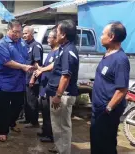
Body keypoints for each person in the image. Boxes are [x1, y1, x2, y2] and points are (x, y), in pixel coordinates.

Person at [90, 22, 129, 154]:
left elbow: (122, 89)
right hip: (98, 109)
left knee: (106, 146)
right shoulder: (108, 54)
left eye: (103, 34)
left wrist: (108, 108)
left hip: (107, 112)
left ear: (111, 36)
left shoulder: (120, 60)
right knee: (97, 144)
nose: (101, 36)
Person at [0, 20, 36, 142]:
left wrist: (29, 66)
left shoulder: (22, 43)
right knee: (3, 108)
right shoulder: (2, 44)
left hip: (19, 82)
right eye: (15, 32)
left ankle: (11, 122)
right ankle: (2, 131)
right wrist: (23, 67)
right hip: (4, 82)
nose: (17, 34)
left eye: (19, 32)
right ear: (8, 30)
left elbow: (26, 58)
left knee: (18, 105)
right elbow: (7, 62)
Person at [45, 20, 79, 154]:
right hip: (57, 93)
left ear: (63, 34)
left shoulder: (69, 51)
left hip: (63, 95)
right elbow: (56, 66)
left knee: (63, 125)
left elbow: (66, 76)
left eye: (57, 32)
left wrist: (58, 95)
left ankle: (64, 151)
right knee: (56, 124)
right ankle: (59, 147)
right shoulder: (63, 48)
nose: (54, 34)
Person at [34, 27, 58, 143]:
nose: (48, 39)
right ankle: (45, 130)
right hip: (44, 87)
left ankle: (50, 135)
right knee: (44, 111)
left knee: (49, 113)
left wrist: (42, 69)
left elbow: (53, 66)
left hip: (51, 88)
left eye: (50, 37)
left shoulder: (58, 53)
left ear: (56, 39)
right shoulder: (51, 52)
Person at [22, 26, 43, 128]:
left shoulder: (36, 46)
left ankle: (34, 122)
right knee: (26, 100)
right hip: (24, 77)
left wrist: (33, 78)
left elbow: (37, 64)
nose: (24, 35)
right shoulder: (25, 45)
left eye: (26, 33)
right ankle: (27, 119)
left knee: (32, 100)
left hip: (32, 78)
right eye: (23, 33)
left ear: (31, 34)